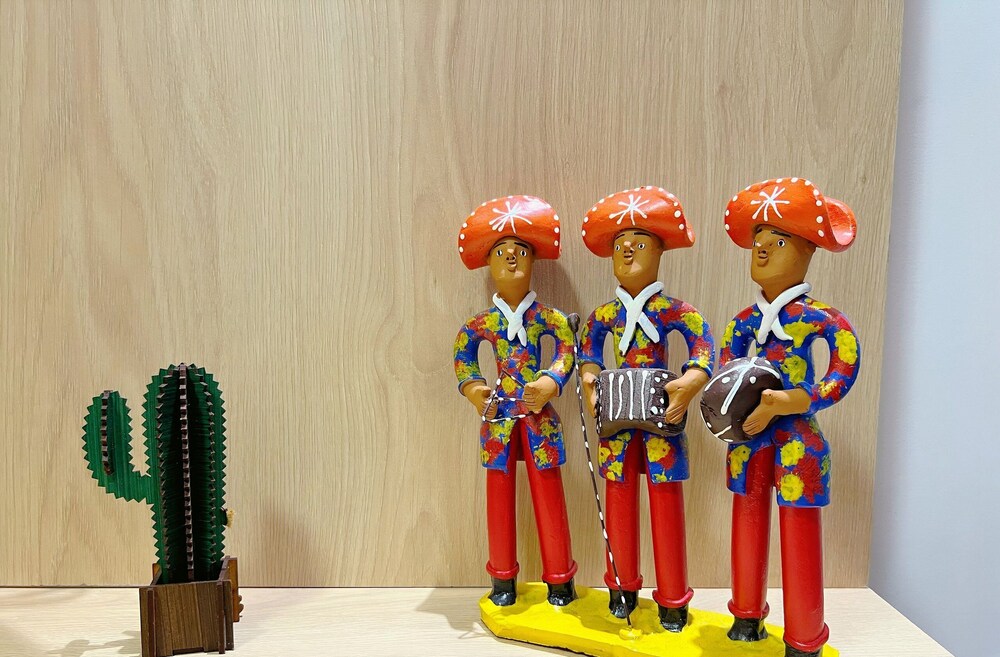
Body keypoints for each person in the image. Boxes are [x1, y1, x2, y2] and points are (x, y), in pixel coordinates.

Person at [718, 178, 861, 657]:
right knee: (747, 520)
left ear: (807, 250)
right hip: (748, 437)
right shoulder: (742, 322)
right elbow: (725, 373)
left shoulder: (824, 320)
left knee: (800, 534)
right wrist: (741, 409)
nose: (760, 249)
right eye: (757, 241)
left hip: (798, 440)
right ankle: (745, 617)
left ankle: (804, 637)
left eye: (776, 241)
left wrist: (793, 400)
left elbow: (843, 371)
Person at [578, 186, 714, 631]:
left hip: (662, 420)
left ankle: (673, 600)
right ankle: (621, 589)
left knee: (665, 505)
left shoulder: (677, 311)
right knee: (618, 501)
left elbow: (702, 347)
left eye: (638, 243)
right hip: (616, 421)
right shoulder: (603, 316)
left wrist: (690, 382)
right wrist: (590, 382)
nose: (627, 251)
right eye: (620, 245)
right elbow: (588, 352)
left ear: (659, 251)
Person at [454, 195, 578, 607]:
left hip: (538, 415)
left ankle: (560, 580)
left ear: (533, 260)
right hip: (498, 417)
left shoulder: (548, 318)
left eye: (520, 251)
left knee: (548, 493)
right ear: (488, 264)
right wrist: (475, 390)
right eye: (501, 253)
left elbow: (566, 348)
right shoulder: (481, 324)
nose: (511, 259)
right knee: (499, 496)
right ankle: (502, 579)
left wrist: (550, 381)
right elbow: (464, 354)